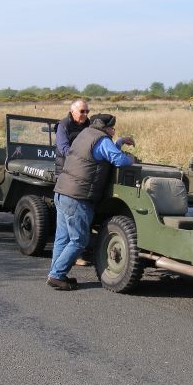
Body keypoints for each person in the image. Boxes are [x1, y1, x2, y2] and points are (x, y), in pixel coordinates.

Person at [47, 114, 135, 291]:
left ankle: (56, 274)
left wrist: (119, 143)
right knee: (79, 240)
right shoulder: (102, 140)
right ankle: (56, 275)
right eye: (112, 128)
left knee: (62, 238)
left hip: (62, 192)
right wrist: (131, 159)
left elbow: (99, 153)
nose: (113, 131)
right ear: (105, 127)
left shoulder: (85, 135)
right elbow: (118, 159)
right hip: (78, 197)